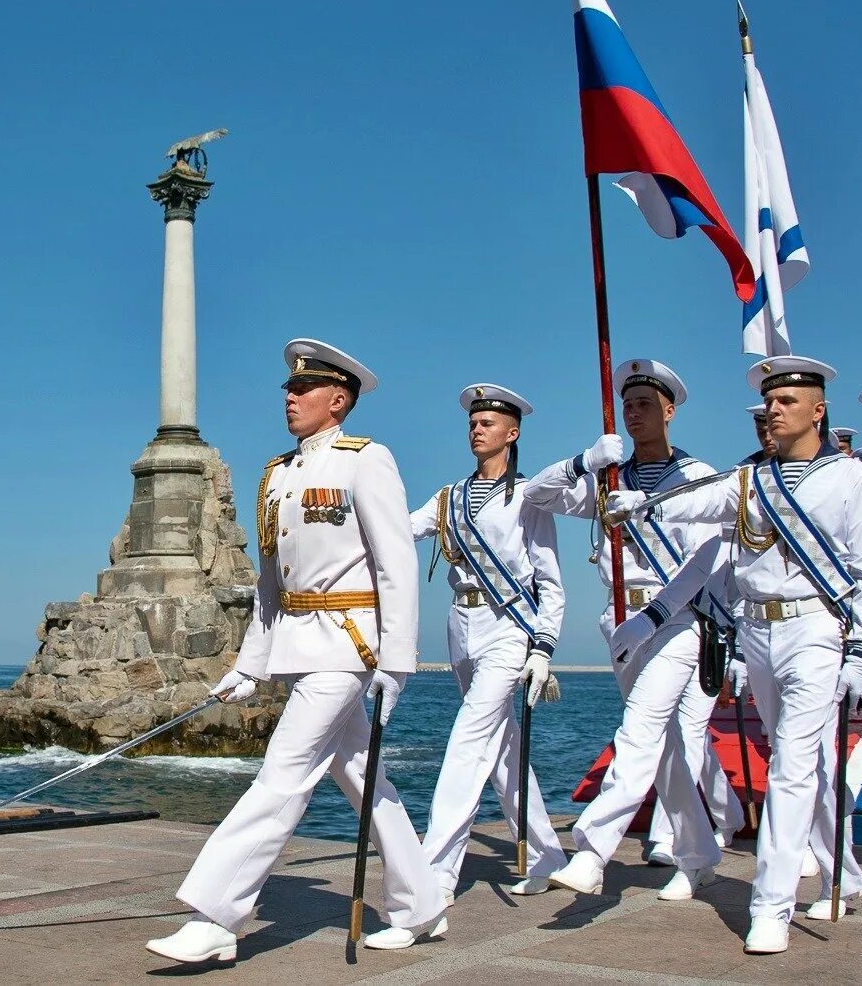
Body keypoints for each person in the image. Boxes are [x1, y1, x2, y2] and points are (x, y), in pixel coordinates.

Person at [147, 340, 443, 964]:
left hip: (347, 645)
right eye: (289, 387)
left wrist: (397, 660)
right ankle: (421, 904)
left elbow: (397, 565)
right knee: (362, 776)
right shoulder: (278, 474)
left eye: (304, 389)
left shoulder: (367, 461)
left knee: (283, 773)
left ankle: (216, 916)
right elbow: (271, 585)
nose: (290, 396)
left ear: (338, 401)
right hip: (298, 645)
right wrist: (248, 665)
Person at [603, 356, 862, 954]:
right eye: (769, 403)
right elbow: (696, 504)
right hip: (759, 633)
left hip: (816, 630)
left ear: (817, 409)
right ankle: (844, 872)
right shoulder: (750, 479)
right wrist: (643, 506)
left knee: (791, 767)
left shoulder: (850, 479)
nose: (773, 411)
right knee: (808, 766)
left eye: (786, 402)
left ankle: (770, 906)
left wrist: (861, 653)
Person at [525, 359, 723, 904]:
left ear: (669, 410)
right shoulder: (612, 477)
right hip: (620, 624)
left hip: (676, 621)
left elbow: (709, 557)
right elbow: (537, 496)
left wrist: (658, 614)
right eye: (627, 404)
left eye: (644, 404)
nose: (634, 413)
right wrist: (582, 461)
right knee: (666, 752)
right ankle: (700, 853)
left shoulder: (698, 475)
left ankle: (592, 851)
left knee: (639, 732)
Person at [411, 384, 567, 901]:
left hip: (509, 627)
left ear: (512, 432)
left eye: (487, 422)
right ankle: (546, 853)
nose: (477, 429)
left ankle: (435, 874)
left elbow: (550, 582)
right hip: (461, 623)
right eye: (473, 422)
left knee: (468, 742)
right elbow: (403, 529)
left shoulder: (529, 497)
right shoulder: (449, 496)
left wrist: (543, 647)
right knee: (501, 749)